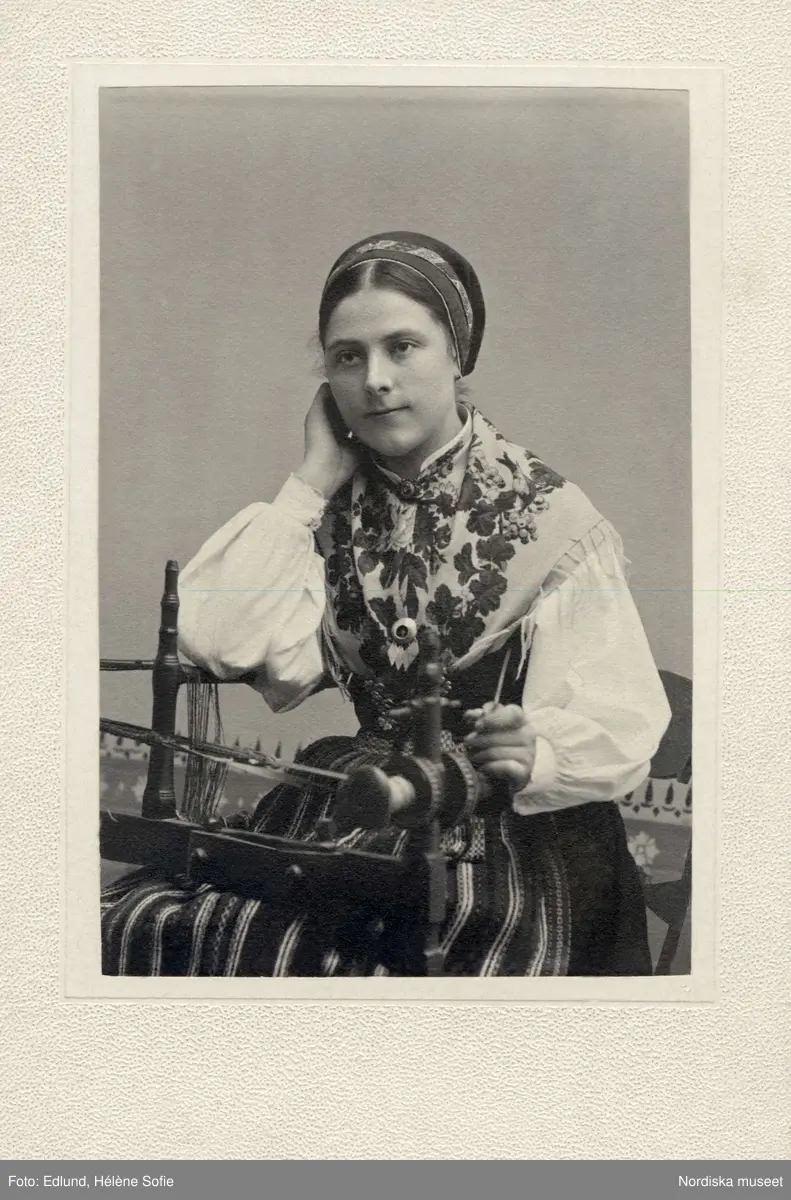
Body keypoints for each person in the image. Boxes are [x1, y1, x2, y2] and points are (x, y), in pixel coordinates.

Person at [101, 231, 671, 977]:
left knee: (353, 961)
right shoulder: (327, 510)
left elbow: (618, 716)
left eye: (402, 347)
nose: (374, 380)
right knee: (157, 925)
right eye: (348, 357)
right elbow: (210, 638)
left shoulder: (550, 517)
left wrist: (537, 749)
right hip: (357, 805)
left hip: (505, 832)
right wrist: (310, 480)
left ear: (457, 354)